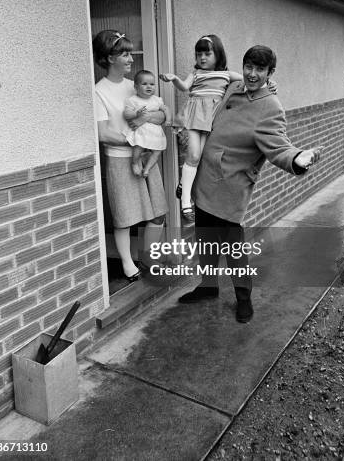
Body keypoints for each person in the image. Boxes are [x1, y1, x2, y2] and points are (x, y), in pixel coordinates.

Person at [178, 45, 322, 323]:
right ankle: (208, 288)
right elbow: (222, 78)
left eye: (260, 70)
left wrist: (296, 158)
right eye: (249, 67)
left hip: (230, 190)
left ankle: (244, 299)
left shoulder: (270, 107)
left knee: (234, 252)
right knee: (206, 242)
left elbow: (278, 146)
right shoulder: (234, 88)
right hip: (204, 181)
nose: (252, 74)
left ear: (270, 73)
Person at [93, 30, 168, 282]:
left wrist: (148, 119)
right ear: (109, 57)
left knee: (158, 212)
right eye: (124, 54)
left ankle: (149, 257)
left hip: (147, 155)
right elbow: (103, 133)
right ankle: (127, 263)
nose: (131, 58)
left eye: (130, 53)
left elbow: (162, 116)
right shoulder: (99, 91)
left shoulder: (135, 85)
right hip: (119, 158)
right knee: (125, 217)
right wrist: (134, 138)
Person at [159, 35, 243, 222]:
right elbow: (184, 87)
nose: (202, 58)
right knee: (194, 156)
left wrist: (270, 84)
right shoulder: (195, 74)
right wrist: (174, 79)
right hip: (195, 116)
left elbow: (249, 81)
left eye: (207, 53)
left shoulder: (227, 75)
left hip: (212, 120)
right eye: (198, 54)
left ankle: (183, 184)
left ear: (218, 54)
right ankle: (185, 201)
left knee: (201, 157)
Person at [123, 70, 170, 178]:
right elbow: (126, 114)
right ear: (136, 87)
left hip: (155, 132)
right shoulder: (133, 100)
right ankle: (135, 162)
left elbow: (166, 109)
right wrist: (136, 113)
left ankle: (147, 169)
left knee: (158, 151)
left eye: (152, 84)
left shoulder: (157, 100)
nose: (149, 87)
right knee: (138, 146)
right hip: (142, 131)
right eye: (144, 84)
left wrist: (168, 119)